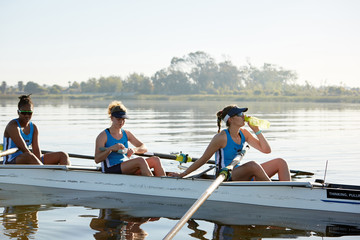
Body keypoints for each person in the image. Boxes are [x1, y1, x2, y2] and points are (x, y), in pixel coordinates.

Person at [169, 105, 291, 181]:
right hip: (225, 175)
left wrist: (256, 130)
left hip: (239, 172)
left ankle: (289, 192)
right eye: (239, 114)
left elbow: (266, 150)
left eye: (243, 113)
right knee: (253, 165)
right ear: (231, 120)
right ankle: (276, 194)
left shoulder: (244, 133)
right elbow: (204, 159)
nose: (243, 116)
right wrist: (183, 174)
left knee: (280, 162)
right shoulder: (221, 137)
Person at [94, 101, 166, 176]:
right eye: (118, 119)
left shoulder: (126, 133)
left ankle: (165, 184)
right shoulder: (103, 136)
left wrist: (134, 150)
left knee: (155, 160)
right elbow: (97, 159)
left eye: (123, 119)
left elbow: (144, 147)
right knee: (140, 161)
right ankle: (153, 184)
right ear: (112, 118)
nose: (121, 122)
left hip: (125, 166)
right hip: (111, 168)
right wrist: (111, 149)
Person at [2, 94, 70, 165]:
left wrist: (42, 161)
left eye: (29, 113)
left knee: (63, 155)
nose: (27, 115)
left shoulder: (33, 127)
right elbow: (25, 150)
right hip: (11, 161)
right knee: (29, 156)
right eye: (24, 113)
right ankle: (44, 173)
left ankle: (67, 175)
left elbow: (37, 153)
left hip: (29, 158)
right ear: (18, 112)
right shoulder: (12, 126)